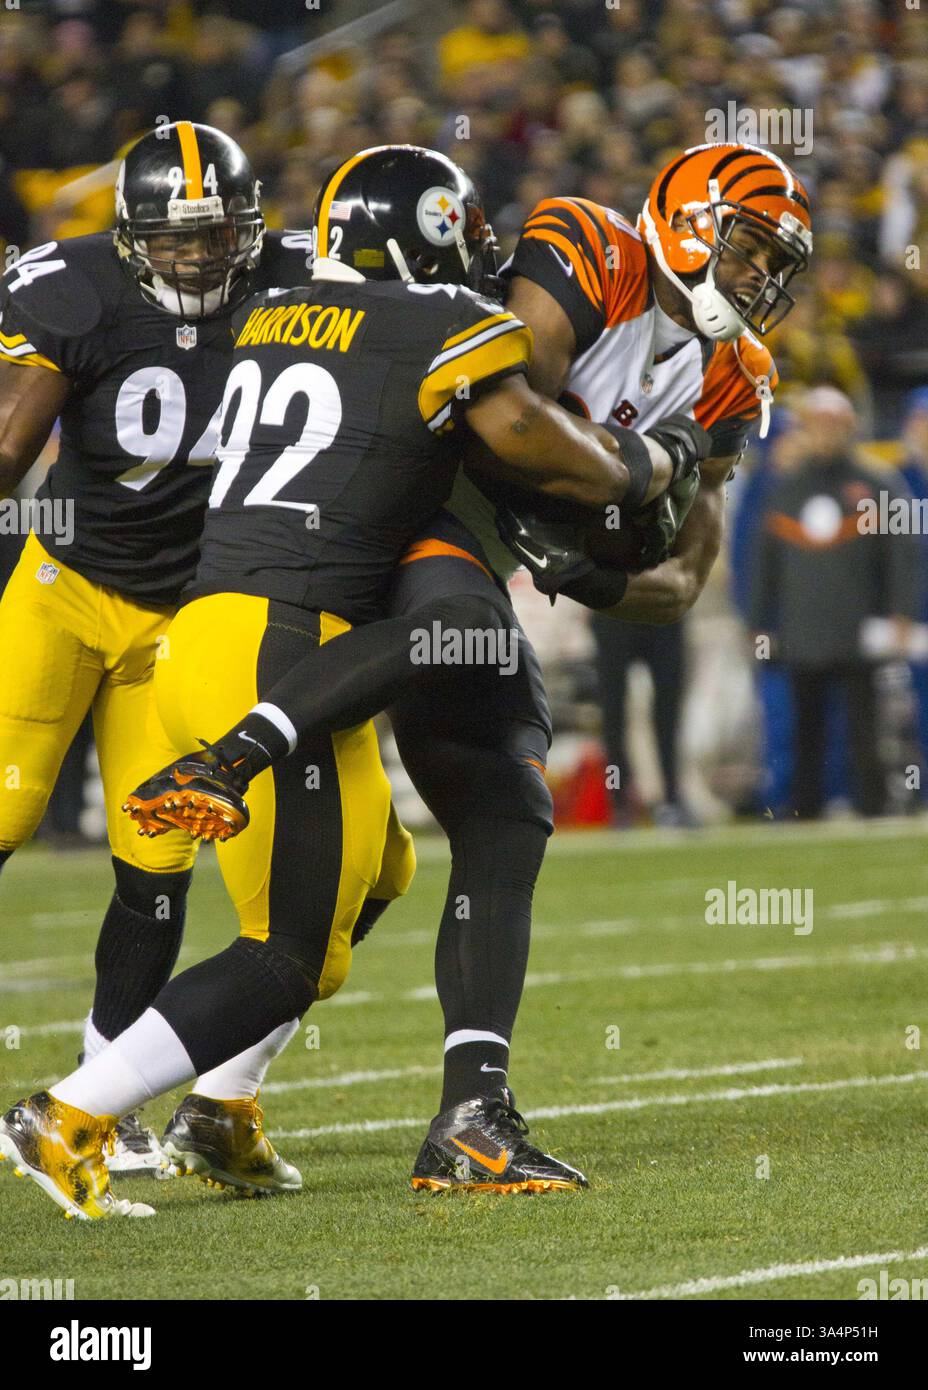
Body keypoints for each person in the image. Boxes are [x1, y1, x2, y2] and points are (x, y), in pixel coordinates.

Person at [121, 142, 812, 1190]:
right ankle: (235, 763)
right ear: (688, 218)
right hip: (415, 504)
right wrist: (626, 476)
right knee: (475, 708)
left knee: (481, 816)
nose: (762, 282)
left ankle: (261, 1099)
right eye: (752, 249)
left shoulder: (735, 376)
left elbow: (679, 580)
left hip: (482, 542)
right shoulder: (590, 249)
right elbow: (504, 426)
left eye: (778, 267)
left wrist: (585, 575)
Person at [0, 144, 669, 1220]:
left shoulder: (276, 310)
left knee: (386, 868)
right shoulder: (433, 318)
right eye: (462, 233)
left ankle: (219, 1108)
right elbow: (531, 441)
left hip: (214, 625)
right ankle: (68, 1111)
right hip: (276, 638)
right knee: (285, 956)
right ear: (427, 241)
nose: (481, 255)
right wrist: (651, 465)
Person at [0, 121, 324, 1180]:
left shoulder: (294, 283)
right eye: (171, 241)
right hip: (64, 591)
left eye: (213, 236)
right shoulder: (75, 292)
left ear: (249, 226)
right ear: (130, 239)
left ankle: (101, 1094)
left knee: (155, 858)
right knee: (4, 812)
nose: (194, 257)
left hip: (180, 620)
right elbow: (9, 446)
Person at [749, 386, 922, 818]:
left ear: (850, 428)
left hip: (861, 627)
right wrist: (758, 622)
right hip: (801, 627)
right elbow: (762, 561)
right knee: (804, 726)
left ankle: (874, 807)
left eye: (833, 426)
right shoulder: (784, 488)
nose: (824, 435)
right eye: (816, 426)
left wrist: (902, 613)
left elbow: (906, 553)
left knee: (867, 725)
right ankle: (804, 810)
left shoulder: (881, 482)